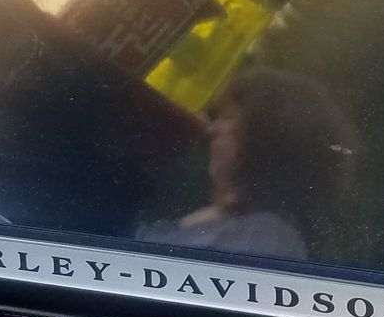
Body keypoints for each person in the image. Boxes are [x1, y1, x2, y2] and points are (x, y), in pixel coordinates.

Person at [139, 69, 355, 263]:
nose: (212, 129)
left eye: (229, 117)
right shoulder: (232, 222)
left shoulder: (267, 238)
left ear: (265, 139)